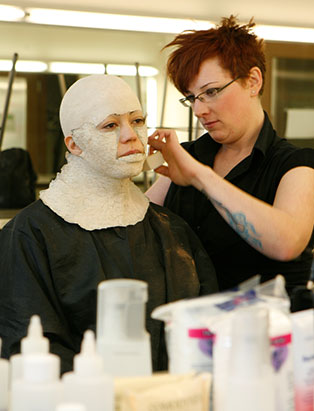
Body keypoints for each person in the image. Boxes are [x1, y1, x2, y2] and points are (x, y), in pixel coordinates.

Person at [0, 75, 218, 374]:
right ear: (74, 144)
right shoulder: (29, 235)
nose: (131, 135)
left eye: (138, 121)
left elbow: (206, 328)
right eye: (111, 125)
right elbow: (32, 347)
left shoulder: (171, 229)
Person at [146, 15, 314, 296]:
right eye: (192, 97)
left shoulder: (296, 165)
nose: (198, 110)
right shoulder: (189, 155)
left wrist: (200, 176)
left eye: (210, 92)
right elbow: (130, 226)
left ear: (253, 81)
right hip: (188, 327)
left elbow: (287, 243)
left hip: (264, 332)